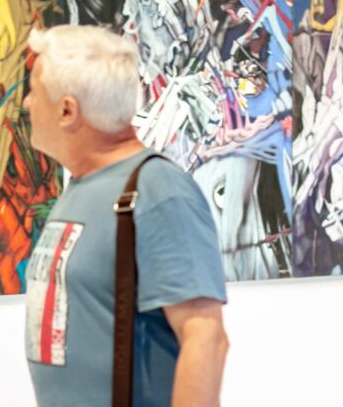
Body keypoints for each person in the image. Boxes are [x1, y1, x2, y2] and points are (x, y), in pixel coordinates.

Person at [23, 24, 229, 406]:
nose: (26, 103)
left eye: (34, 91)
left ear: (67, 110)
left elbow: (205, 337)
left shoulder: (158, 190)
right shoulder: (81, 188)